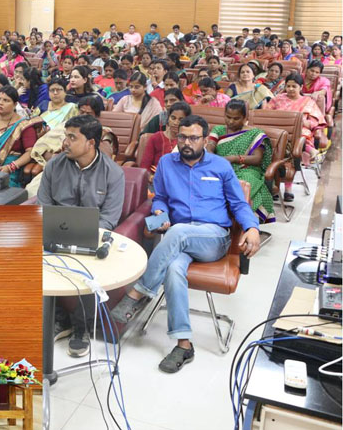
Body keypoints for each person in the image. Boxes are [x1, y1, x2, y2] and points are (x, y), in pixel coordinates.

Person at [110, 115, 260, 374]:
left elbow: (238, 204)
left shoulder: (220, 166)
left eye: (193, 138)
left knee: (178, 232)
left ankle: (138, 294)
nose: (187, 142)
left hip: (213, 238)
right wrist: (159, 214)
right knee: (173, 269)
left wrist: (253, 228)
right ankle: (183, 343)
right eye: (182, 137)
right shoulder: (167, 163)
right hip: (178, 240)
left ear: (205, 139)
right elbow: (161, 199)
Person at [37, 115, 125, 356]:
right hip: (53, 233)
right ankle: (59, 320)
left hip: (91, 237)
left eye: (72, 137)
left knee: (89, 270)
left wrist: (83, 231)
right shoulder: (55, 165)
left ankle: (81, 327)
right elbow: (43, 204)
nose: (65, 142)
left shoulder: (112, 173)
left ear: (91, 143)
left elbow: (110, 218)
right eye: (66, 136)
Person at [207, 99, 275, 222]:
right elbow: (209, 149)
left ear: (245, 118)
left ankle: (242, 222)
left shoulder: (255, 134)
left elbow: (257, 159)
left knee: (242, 187)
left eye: (236, 118)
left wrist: (234, 158)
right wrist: (217, 160)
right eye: (228, 117)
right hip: (221, 167)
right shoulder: (218, 130)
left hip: (247, 169)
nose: (231, 121)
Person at [264, 73, 327, 189]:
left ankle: (288, 187)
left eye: (294, 86)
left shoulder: (307, 101)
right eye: (288, 86)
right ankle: (273, 183)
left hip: (298, 132)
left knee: (298, 140)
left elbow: (314, 122)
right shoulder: (278, 99)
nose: (290, 89)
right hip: (278, 130)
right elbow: (266, 115)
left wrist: (302, 121)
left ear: (301, 87)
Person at [140, 102, 191, 182]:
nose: (176, 122)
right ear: (168, 118)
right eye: (173, 118)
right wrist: (151, 177)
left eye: (181, 119)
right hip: (156, 180)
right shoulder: (156, 138)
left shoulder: (189, 141)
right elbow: (145, 166)